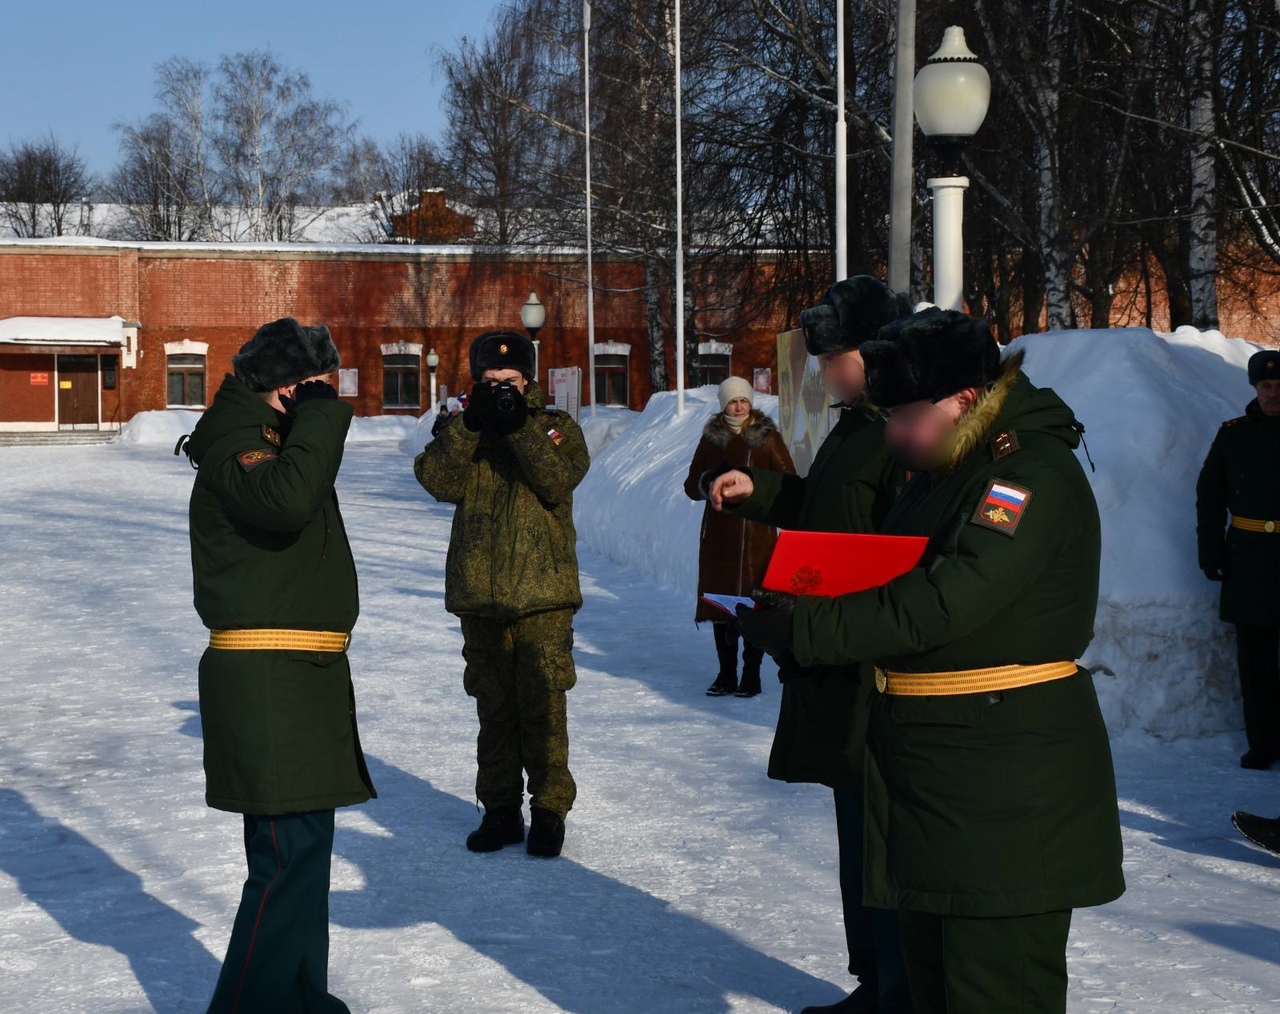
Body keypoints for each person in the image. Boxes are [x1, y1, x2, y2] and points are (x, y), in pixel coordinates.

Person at [738, 308, 1125, 1014]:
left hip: (1001, 786)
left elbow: (944, 602)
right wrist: (806, 625)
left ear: (965, 402)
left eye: (908, 415)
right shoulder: (946, 469)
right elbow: (885, 574)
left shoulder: (1024, 476)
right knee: (930, 988)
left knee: (993, 989)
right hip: (938, 780)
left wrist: (813, 632)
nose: (893, 434)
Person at [708, 276, 913, 1013]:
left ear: (878, 350)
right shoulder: (857, 425)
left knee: (881, 837)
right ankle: (873, 980)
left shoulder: (904, 431)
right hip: (832, 652)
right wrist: (757, 491)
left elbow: (901, 547)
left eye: (836, 358)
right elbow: (826, 510)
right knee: (855, 828)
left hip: (872, 660)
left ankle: (897, 987)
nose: (824, 374)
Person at [180, 317, 376, 1014]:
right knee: (283, 861)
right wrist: (322, 421)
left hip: (298, 678)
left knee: (305, 856)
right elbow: (287, 502)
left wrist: (308, 426)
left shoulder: (274, 439)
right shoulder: (240, 444)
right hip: (267, 680)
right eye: (317, 384)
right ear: (287, 386)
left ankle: (298, 1001)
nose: (326, 396)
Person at [413, 331, 589, 858]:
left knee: (544, 707)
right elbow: (436, 480)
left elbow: (559, 481)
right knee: (493, 709)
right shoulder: (464, 429)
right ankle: (500, 811)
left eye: (508, 383)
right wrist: (469, 426)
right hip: (479, 594)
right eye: (489, 383)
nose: (500, 392)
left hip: (543, 595)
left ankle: (550, 812)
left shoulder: (555, 429)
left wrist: (518, 429)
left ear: (528, 380)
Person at [1195, 349, 1280, 769]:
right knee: (1255, 661)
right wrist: (1210, 553)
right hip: (1249, 561)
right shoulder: (1234, 435)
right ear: (1254, 389)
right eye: (1266, 386)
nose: (1273, 394)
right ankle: (1263, 743)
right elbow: (1210, 498)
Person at [684, 376, 795, 697]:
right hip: (719, 537)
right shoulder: (711, 439)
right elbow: (691, 485)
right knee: (722, 609)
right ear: (724, 404)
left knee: (752, 605)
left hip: (757, 535)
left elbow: (788, 481)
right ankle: (725, 674)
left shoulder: (766, 438)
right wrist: (709, 482)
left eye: (744, 400)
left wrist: (758, 489)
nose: (740, 406)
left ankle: (751, 675)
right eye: (733, 401)